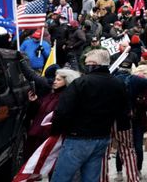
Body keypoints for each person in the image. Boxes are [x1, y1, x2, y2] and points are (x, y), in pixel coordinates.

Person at [51, 49, 130, 182]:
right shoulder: (118, 83)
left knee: (61, 177)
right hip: (102, 136)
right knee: (91, 178)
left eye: (87, 63)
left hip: (78, 138)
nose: (85, 65)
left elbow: (63, 110)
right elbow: (124, 110)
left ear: (93, 64)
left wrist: (56, 130)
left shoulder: (81, 83)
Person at [24, 68, 81, 159]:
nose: (54, 82)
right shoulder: (52, 94)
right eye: (55, 79)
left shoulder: (66, 98)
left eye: (58, 80)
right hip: (37, 135)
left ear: (67, 81)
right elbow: (41, 111)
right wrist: (35, 101)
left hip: (47, 139)